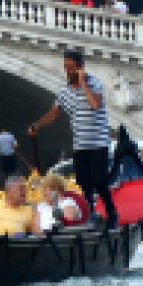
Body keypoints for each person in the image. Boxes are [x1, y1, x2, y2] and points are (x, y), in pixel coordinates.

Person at [29, 48, 118, 229]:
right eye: (65, 67)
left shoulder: (95, 84)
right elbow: (53, 115)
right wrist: (36, 126)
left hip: (99, 143)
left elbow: (95, 105)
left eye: (71, 68)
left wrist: (84, 83)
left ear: (80, 67)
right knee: (84, 182)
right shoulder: (65, 92)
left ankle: (112, 212)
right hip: (80, 145)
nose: (67, 71)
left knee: (99, 180)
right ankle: (90, 214)